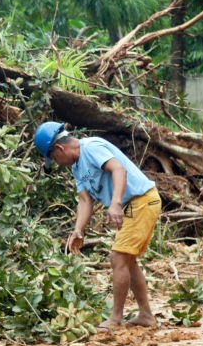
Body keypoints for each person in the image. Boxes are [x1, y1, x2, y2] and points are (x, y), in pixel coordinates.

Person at [36, 121, 161, 331]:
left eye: (55, 158)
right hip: (134, 204)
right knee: (127, 260)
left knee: (118, 257)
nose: (58, 162)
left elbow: (118, 170)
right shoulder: (76, 167)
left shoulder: (91, 147)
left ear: (60, 148)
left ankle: (116, 319)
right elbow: (85, 200)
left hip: (141, 200)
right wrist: (78, 229)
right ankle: (146, 315)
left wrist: (115, 202)